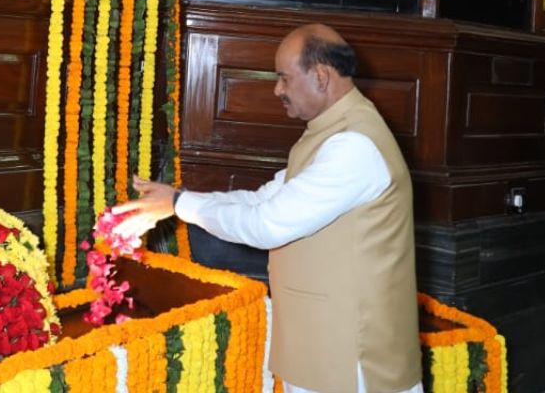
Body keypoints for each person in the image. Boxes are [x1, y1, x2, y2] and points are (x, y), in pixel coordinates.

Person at [113, 24, 422, 393]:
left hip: (353, 355)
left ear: (321, 77)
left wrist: (179, 204)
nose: (278, 90)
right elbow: (262, 198)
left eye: (284, 79)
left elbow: (268, 223)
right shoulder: (331, 133)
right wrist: (176, 200)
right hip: (322, 343)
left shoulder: (354, 145)